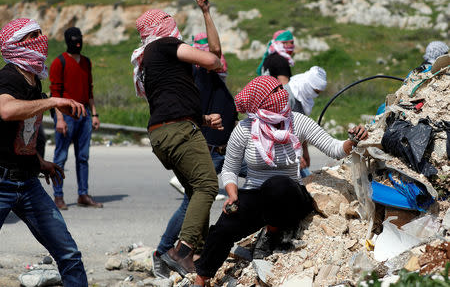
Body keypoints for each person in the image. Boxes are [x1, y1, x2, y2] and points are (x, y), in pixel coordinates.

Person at [193, 76, 368, 286]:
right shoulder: (245, 129)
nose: (281, 94)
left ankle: (271, 234)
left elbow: (335, 148)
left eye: (280, 89)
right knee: (223, 227)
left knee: (276, 185)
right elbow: (229, 169)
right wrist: (232, 194)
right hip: (255, 193)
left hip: (288, 196)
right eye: (274, 92)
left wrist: (353, 140)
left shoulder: (297, 121)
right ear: (261, 102)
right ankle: (201, 278)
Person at [131, 0, 224, 277]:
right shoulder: (164, 46)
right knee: (208, 187)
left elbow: (171, 99)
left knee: (196, 191)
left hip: (164, 132)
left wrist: (203, 120)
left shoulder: (150, 58)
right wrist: (206, 15)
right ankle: (180, 252)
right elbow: (213, 60)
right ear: (162, 28)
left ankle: (198, 252)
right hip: (179, 131)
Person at [151, 32, 247, 279]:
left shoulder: (211, 79)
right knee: (197, 196)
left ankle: (191, 255)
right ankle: (169, 252)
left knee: (196, 196)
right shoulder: (201, 75)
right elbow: (215, 55)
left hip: (220, 148)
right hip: (208, 147)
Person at [0, 18, 88, 286]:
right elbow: (6, 110)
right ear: (17, 45)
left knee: (69, 254)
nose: (42, 38)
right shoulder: (9, 76)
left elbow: (20, 134)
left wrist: (40, 162)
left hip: (27, 182)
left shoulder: (32, 80)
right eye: (34, 35)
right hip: (2, 181)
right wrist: (52, 100)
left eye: (40, 32)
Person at [49, 27, 102, 210]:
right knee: (61, 157)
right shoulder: (59, 62)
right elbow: (54, 94)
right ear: (67, 41)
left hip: (84, 114)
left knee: (83, 157)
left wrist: (94, 114)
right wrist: (60, 119)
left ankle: (83, 194)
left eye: (79, 40)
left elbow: (90, 91)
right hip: (67, 115)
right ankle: (58, 196)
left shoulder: (86, 62)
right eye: (74, 41)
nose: (77, 44)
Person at [284, 66, 328, 177]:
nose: (316, 95)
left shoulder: (303, 98)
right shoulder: (287, 97)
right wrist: (295, 155)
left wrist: (305, 151)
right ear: (309, 85)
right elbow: (279, 130)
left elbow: (300, 126)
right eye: (316, 91)